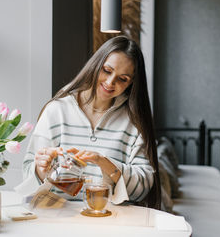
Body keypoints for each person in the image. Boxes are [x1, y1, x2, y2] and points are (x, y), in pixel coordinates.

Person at [22, 36, 160, 209]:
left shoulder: (134, 121)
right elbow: (27, 175)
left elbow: (143, 187)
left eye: (122, 79)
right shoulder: (56, 111)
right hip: (58, 217)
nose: (110, 83)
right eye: (107, 70)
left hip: (111, 221)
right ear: (95, 65)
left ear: (131, 83)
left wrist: (105, 163)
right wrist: (41, 169)